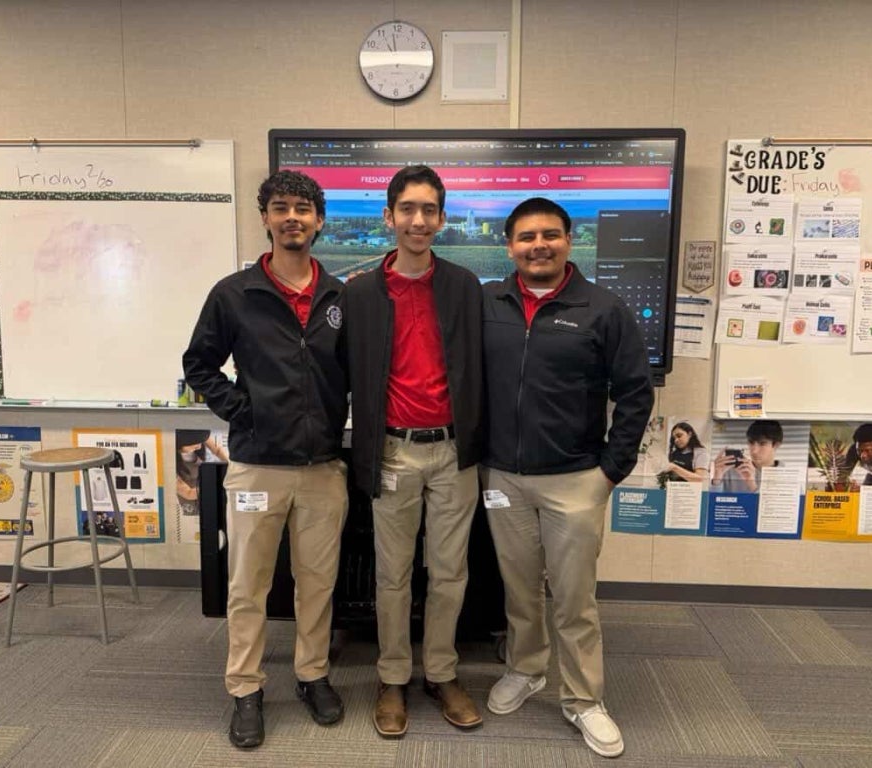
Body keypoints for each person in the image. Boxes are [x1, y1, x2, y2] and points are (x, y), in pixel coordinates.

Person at [480, 197, 653, 759]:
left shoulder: (604, 309)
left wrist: (610, 470)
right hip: (502, 476)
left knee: (574, 598)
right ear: (509, 246)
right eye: (526, 236)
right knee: (519, 587)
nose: (538, 245)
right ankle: (526, 669)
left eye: (549, 235)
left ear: (568, 241)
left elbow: (635, 394)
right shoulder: (486, 304)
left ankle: (582, 699)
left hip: (576, 479)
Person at [183, 170, 349, 749]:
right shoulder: (234, 293)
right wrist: (242, 411)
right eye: (281, 208)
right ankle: (246, 688)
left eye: (303, 209)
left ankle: (311, 675)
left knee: (317, 583)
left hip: (325, 468)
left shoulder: (340, 297)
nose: (292, 218)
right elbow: (198, 365)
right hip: (257, 465)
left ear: (319, 220)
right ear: (266, 218)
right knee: (248, 585)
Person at [343, 165, 484, 739]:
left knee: (450, 572)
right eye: (408, 209)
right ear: (389, 217)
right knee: (392, 576)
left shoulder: (463, 286)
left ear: (442, 218)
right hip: (394, 453)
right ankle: (393, 677)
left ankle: (442, 672)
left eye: (429, 210)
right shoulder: (358, 293)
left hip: (454, 453)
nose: (419, 220)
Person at [710, 420, 783, 493]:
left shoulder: (786, 476)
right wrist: (716, 479)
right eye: (751, 443)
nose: (754, 451)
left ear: (776, 445)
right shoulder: (732, 471)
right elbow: (714, 502)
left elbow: (771, 504)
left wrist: (752, 484)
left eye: (762, 444)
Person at [175, 429, 229, 517]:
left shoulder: (199, 435)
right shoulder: (168, 461)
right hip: (190, 495)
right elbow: (187, 493)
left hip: (203, 482)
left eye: (201, 443)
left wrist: (231, 465)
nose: (199, 447)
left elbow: (217, 450)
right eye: (195, 445)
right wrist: (218, 488)